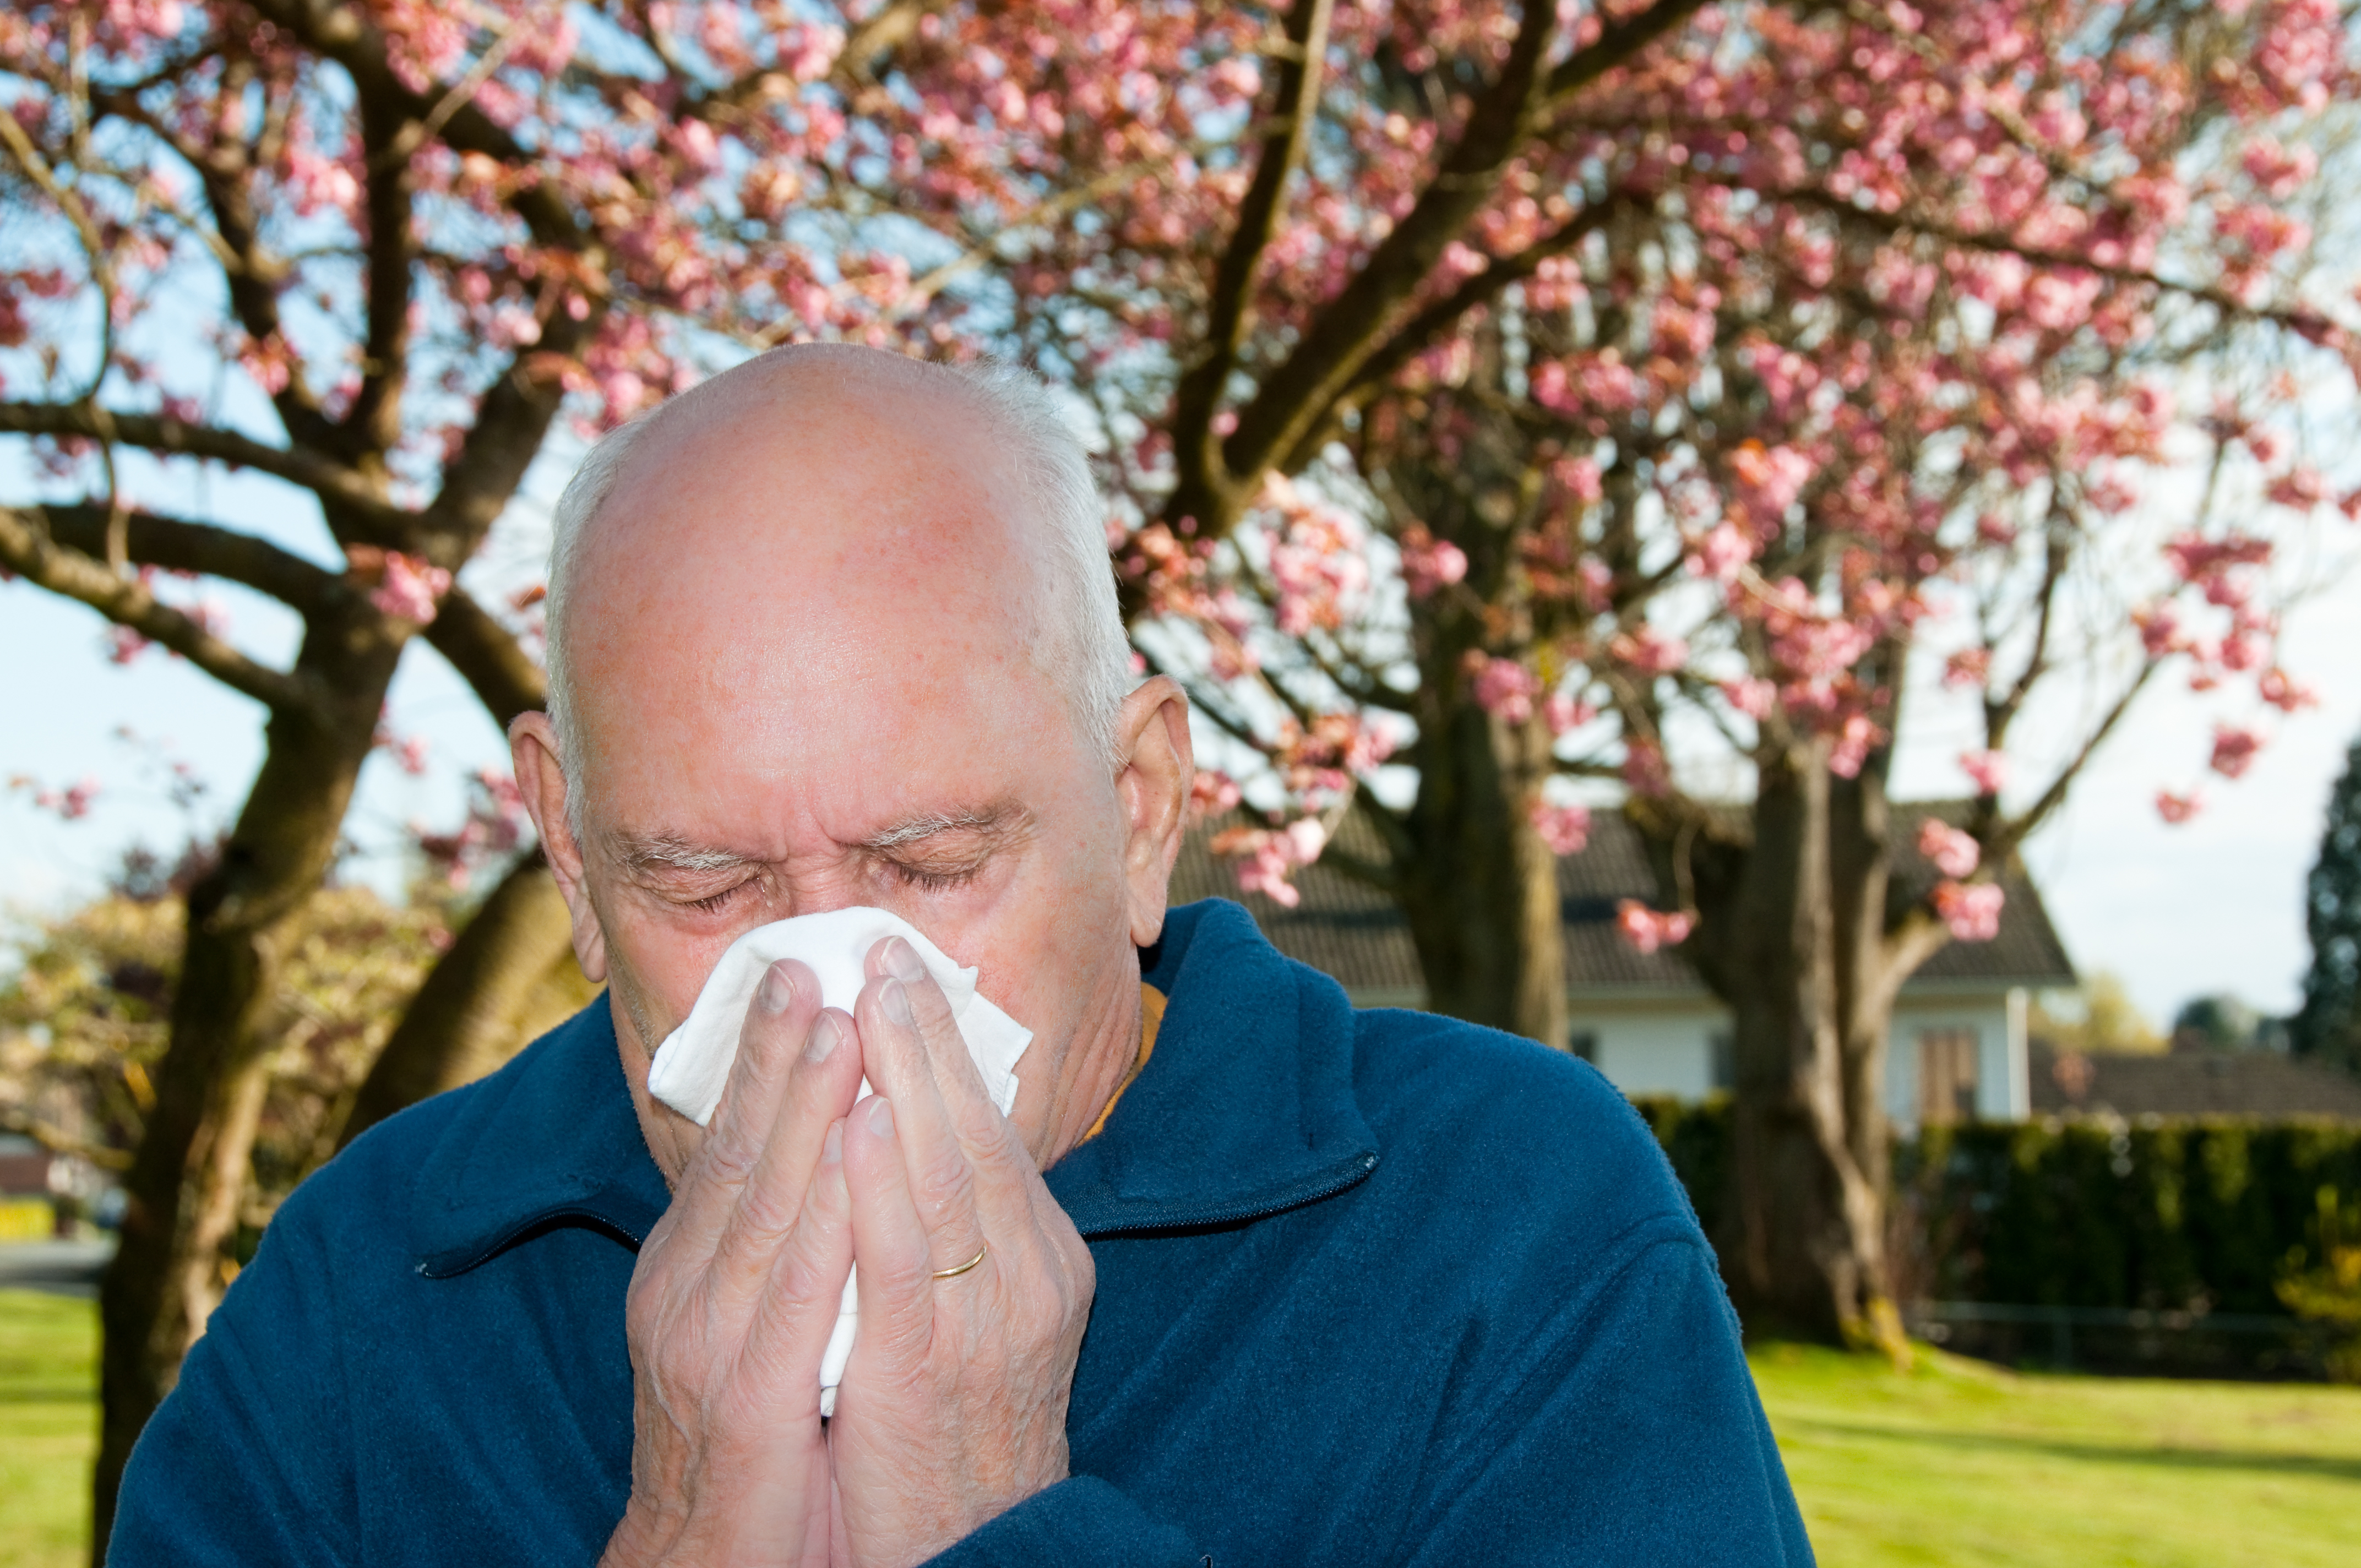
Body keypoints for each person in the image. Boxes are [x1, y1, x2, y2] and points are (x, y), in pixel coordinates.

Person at [110, 346, 1813, 1566]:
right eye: (699, 881)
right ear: (566, 845)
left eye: (930, 863)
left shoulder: (1506, 1226)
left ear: (1140, 807)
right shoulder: (372, 1283)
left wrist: (1007, 1528)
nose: (825, 985)